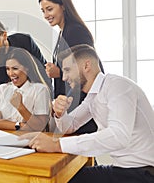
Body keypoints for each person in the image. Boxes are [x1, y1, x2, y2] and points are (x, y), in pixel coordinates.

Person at [21, 44, 154, 183]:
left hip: (142, 173)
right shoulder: (93, 96)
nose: (64, 77)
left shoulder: (117, 86)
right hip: (124, 169)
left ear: (86, 66)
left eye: (67, 70)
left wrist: (57, 144)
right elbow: (70, 126)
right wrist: (61, 114)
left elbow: (118, 136)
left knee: (63, 178)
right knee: (63, 177)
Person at [39, 0, 105, 134]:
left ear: (63, 6)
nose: (46, 15)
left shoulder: (75, 31)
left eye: (49, 9)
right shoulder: (64, 32)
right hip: (72, 107)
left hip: (80, 106)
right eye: (43, 11)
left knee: (80, 152)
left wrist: (58, 72)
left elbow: (87, 68)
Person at [0, 16, 53, 118]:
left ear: (4, 35)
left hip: (36, 98)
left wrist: (49, 100)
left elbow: (44, 72)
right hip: (12, 106)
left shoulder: (25, 42)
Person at [0, 48, 51, 131]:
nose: (10, 73)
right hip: (6, 138)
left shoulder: (40, 89)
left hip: (30, 139)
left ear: (27, 68)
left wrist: (20, 107)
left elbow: (39, 126)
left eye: (15, 68)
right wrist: (20, 125)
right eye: (7, 69)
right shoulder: (3, 89)